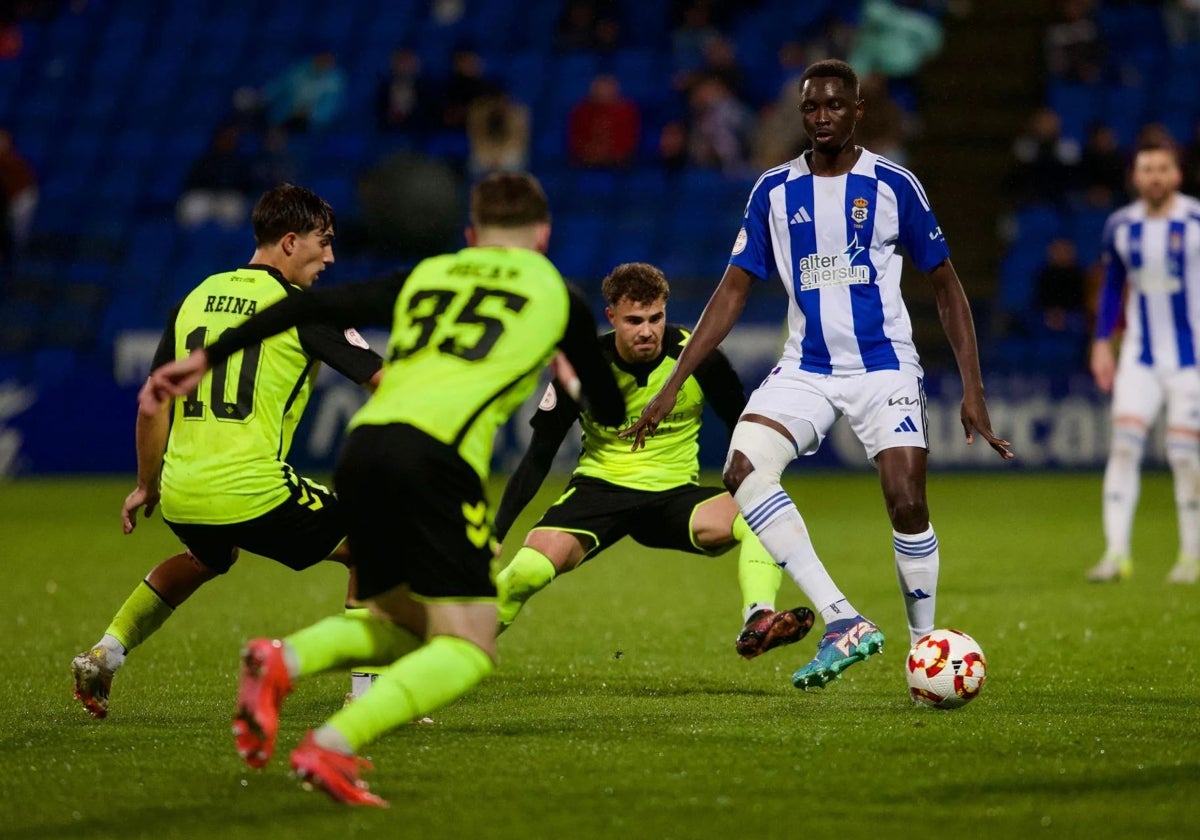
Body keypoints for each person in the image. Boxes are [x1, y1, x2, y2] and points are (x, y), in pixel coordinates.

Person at [144, 172, 625, 806]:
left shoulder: (430, 274)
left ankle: (281, 661)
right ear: (544, 235)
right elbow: (612, 412)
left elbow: (309, 306)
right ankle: (331, 745)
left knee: (406, 622)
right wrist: (571, 370)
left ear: (472, 235)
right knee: (471, 644)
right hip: (435, 463)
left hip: (365, 451)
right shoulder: (558, 296)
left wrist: (208, 356)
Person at [624, 59, 1013, 691]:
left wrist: (973, 388)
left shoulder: (894, 185)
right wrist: (673, 382)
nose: (823, 118)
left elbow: (946, 285)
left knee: (907, 501)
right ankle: (842, 619)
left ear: (858, 111)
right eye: (812, 108)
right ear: (801, 114)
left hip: (884, 366)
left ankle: (923, 652)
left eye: (835, 106)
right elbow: (730, 292)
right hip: (806, 366)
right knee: (742, 467)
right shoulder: (773, 191)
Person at [70, 184, 384, 719]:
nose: (330, 257)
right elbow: (382, 380)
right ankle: (370, 698)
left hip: (184, 491)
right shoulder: (300, 309)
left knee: (206, 558)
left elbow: (153, 405)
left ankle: (106, 652)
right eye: (322, 242)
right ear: (289, 242)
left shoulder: (194, 298)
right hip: (250, 488)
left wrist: (146, 484)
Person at [492, 262, 813, 656]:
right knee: (525, 573)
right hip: (599, 491)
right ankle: (454, 649)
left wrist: (754, 482)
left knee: (762, 516)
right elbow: (538, 457)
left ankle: (758, 618)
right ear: (611, 317)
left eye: (655, 317)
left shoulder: (699, 359)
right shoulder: (586, 367)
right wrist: (497, 533)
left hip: (673, 497)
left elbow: (741, 426)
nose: (646, 330)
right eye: (633, 320)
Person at [1086, 141, 1200, 585]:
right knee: (1124, 446)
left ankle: (1190, 557)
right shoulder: (1121, 225)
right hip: (1139, 355)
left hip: (1191, 360)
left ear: (1177, 175)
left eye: (1163, 168)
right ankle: (1116, 554)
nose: (1154, 176)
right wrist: (1101, 343)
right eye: (1146, 168)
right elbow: (1113, 287)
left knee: (1184, 455)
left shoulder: (1194, 221)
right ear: (1135, 177)